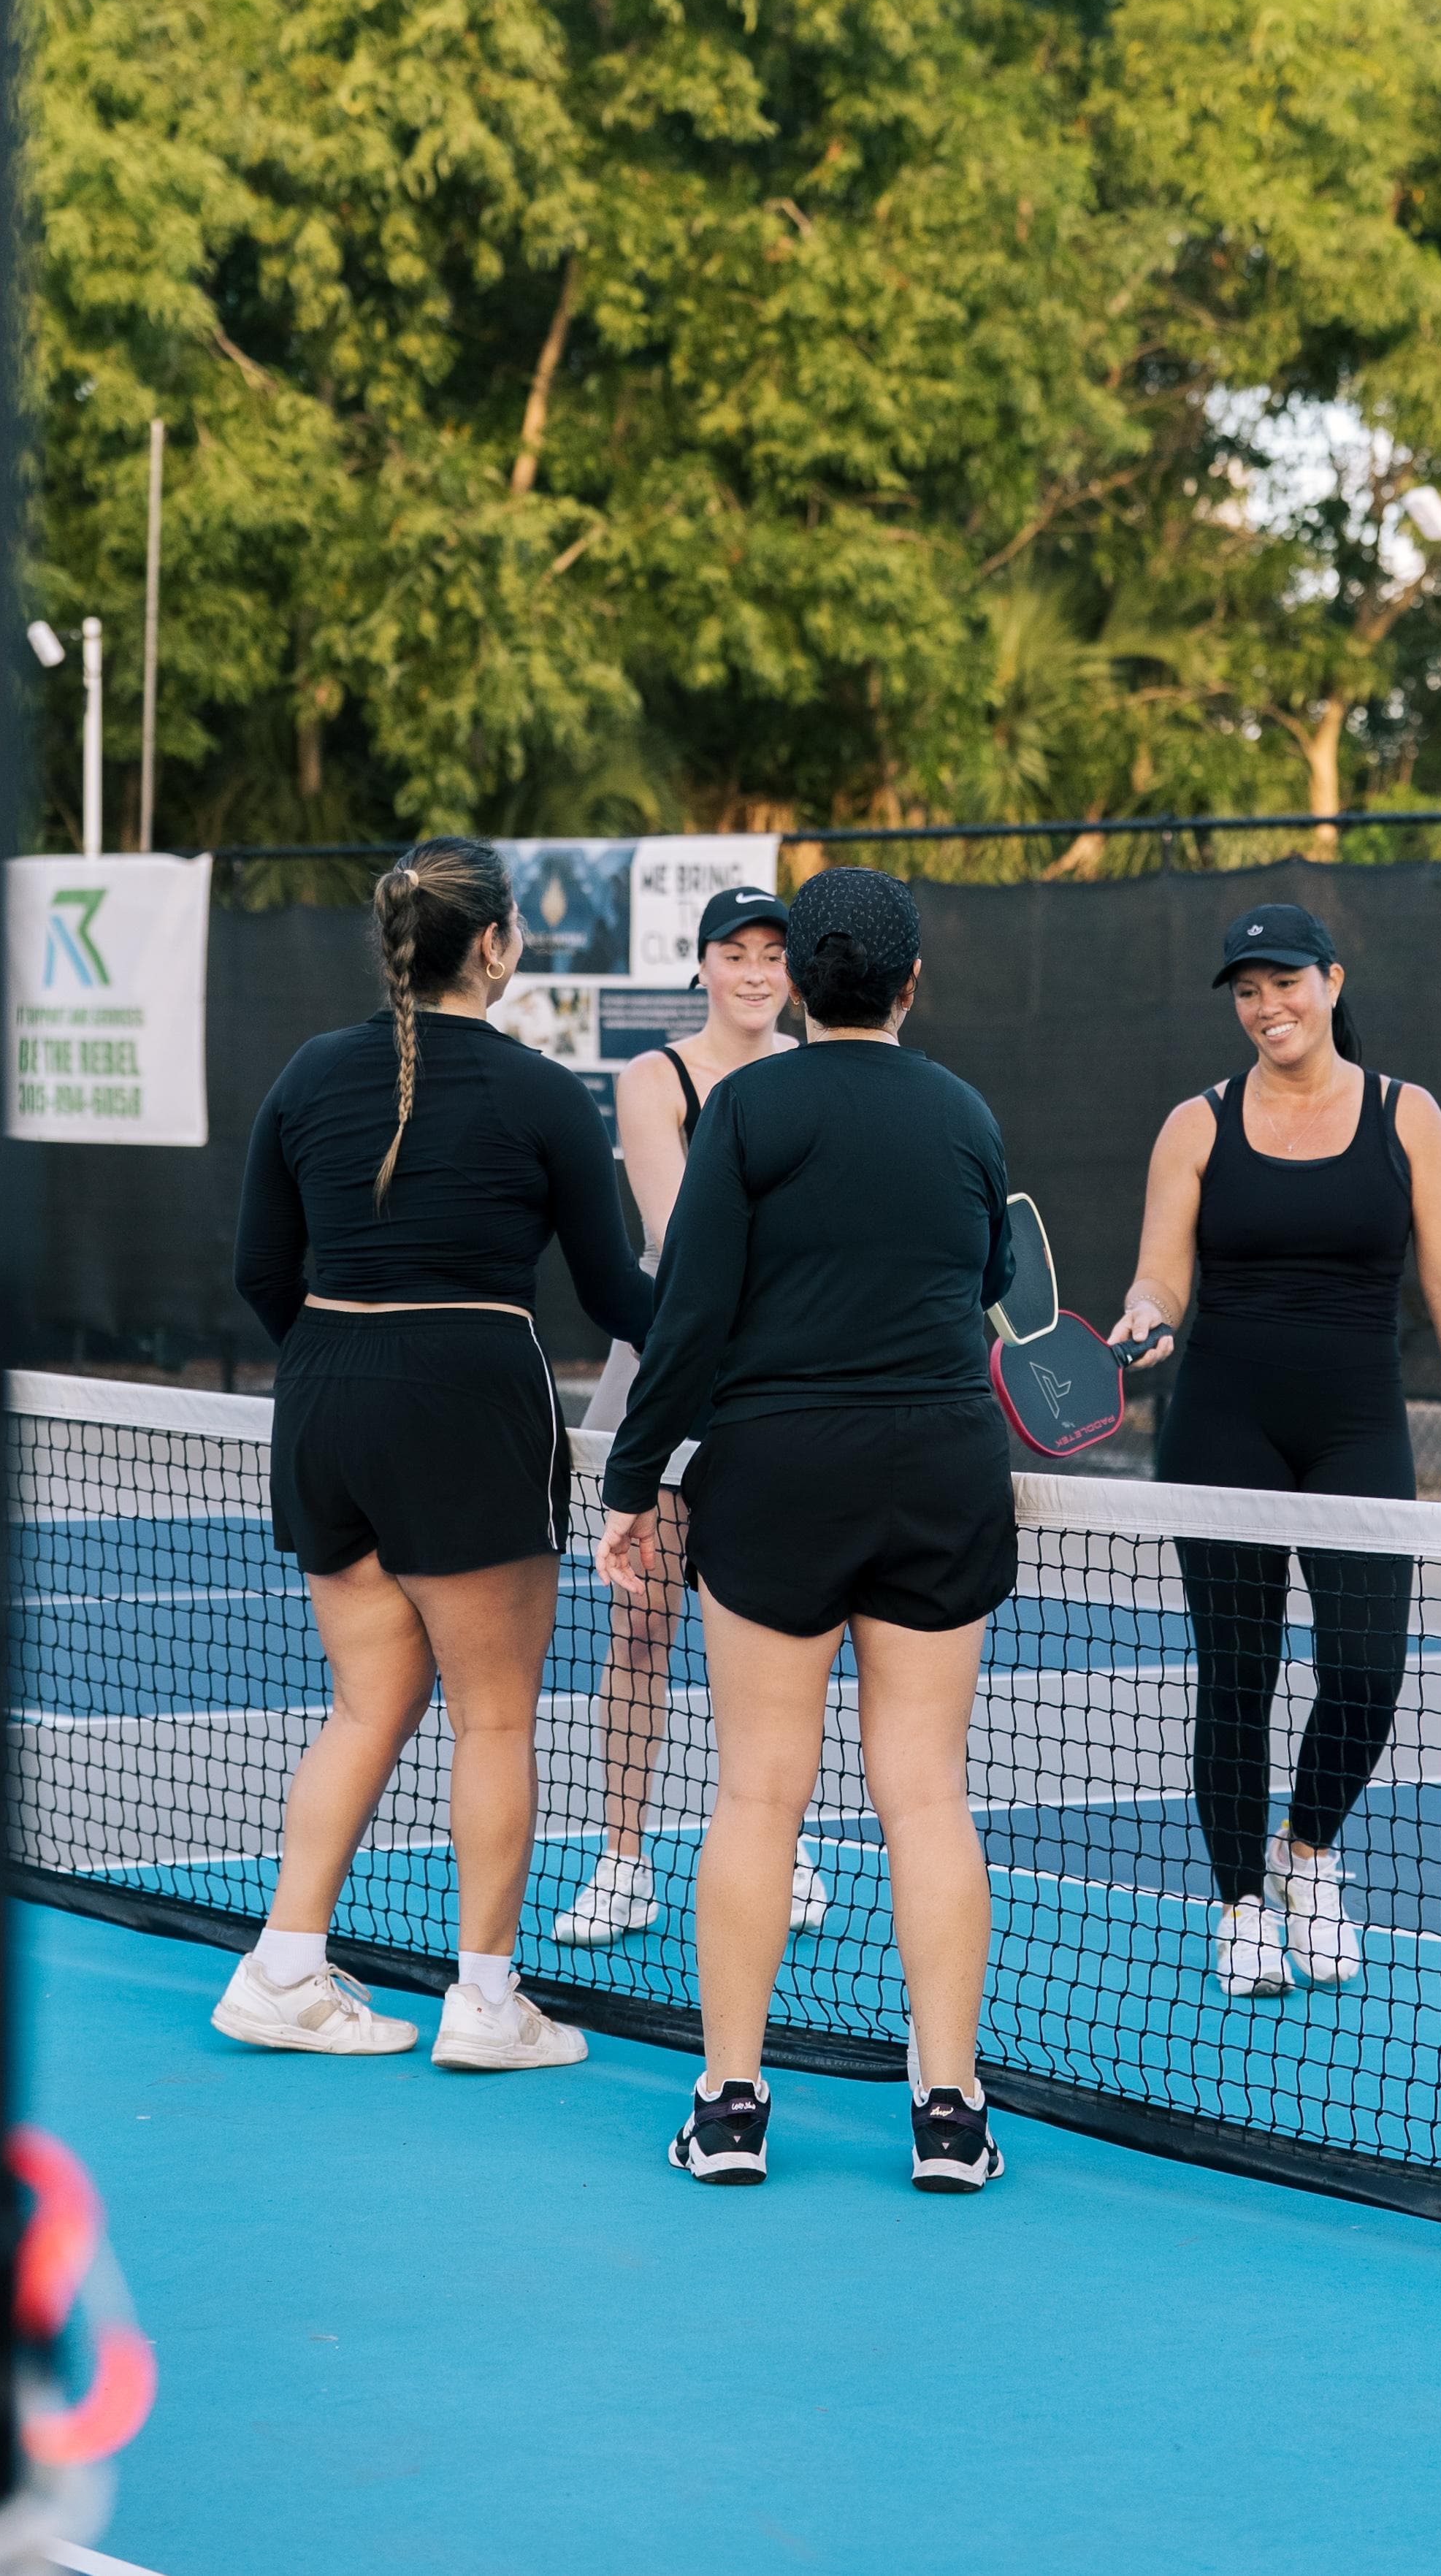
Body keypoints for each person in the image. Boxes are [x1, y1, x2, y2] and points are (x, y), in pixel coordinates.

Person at [595, 867, 1016, 2193]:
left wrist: (633, 1481)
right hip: (940, 1471)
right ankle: (949, 2118)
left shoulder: (750, 1108)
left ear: (804, 980)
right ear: (908, 985)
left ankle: (729, 2109)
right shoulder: (965, 1114)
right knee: (928, 1794)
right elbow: (995, 1282)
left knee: (755, 1794)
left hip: (774, 1476)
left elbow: (691, 1310)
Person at [217, 836, 656, 2068]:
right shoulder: (543, 1094)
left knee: (367, 1705)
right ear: (499, 946)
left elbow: (262, 1272)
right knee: (495, 1721)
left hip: (324, 1406)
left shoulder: (309, 1074)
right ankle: (484, 2002)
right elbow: (620, 1293)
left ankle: (285, 1970)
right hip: (469, 1410)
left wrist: (344, 1363)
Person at [1109, 901, 1441, 2000]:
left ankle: (1310, 1856)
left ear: (1331, 982)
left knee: (1368, 1673)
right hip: (1220, 1428)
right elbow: (1161, 1274)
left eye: (1284, 982)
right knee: (1238, 1679)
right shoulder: (1196, 1124)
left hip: (1358, 1430)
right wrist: (1145, 1315)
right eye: (1246, 989)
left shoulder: (1406, 1115)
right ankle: (1240, 1907)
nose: (1266, 1006)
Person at [557, 887, 830, 1948]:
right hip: (674, 1373)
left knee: (776, 1634)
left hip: (789, 1385)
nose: (757, 972)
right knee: (641, 1627)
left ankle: (782, 1843)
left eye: (775, 954)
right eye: (736, 952)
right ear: (703, 966)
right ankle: (623, 1859)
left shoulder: (823, 1073)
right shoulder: (652, 1079)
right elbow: (682, 1237)